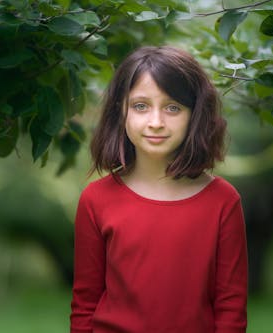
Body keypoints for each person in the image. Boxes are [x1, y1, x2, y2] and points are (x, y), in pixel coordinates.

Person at [70, 46, 248, 333]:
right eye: (141, 106)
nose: (156, 122)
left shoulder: (224, 202)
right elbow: (84, 305)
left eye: (172, 107)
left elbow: (231, 310)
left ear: (195, 115)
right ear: (121, 111)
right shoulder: (96, 200)